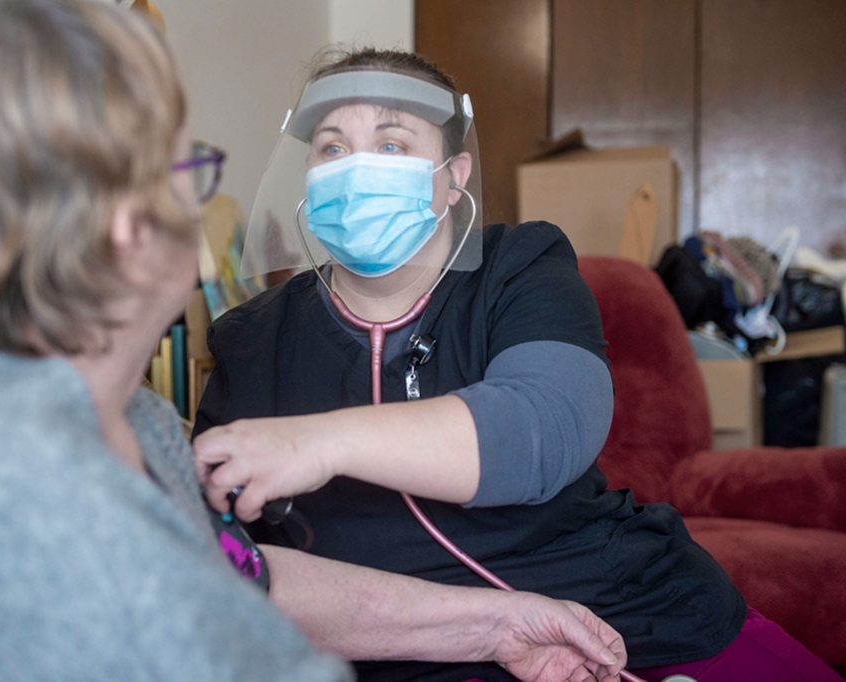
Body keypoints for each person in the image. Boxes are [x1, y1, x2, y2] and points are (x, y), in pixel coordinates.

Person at [192, 48, 844, 682]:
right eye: (332, 147)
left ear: (454, 176)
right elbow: (231, 565)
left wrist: (318, 442)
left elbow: (544, 429)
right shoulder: (251, 338)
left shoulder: (521, 266)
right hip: (411, 656)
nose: (355, 167)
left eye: (391, 144)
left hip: (634, 611)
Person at [0, 1, 354, 680]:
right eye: (190, 169)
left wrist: (493, 621)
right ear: (128, 227)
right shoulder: (68, 525)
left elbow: (236, 573)